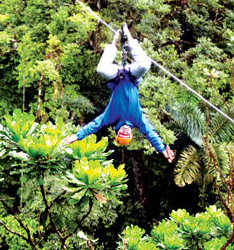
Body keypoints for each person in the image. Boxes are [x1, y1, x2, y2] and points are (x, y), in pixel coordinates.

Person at [62, 25, 175, 162]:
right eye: (127, 135)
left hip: (116, 77)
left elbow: (94, 126)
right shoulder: (138, 119)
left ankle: (115, 40)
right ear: (131, 133)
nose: (125, 133)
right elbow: (150, 133)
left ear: (117, 132)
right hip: (132, 77)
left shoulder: (110, 118)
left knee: (101, 70)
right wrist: (162, 149)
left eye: (122, 134)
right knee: (145, 64)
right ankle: (128, 36)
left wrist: (77, 136)